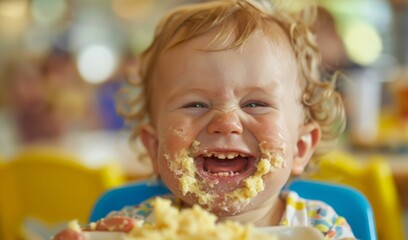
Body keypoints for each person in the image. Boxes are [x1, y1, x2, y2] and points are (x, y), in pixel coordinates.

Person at [54, 0, 353, 239]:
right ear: (154, 147)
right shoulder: (137, 229)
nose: (226, 122)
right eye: (195, 104)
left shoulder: (321, 228)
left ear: (300, 147)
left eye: (255, 103)